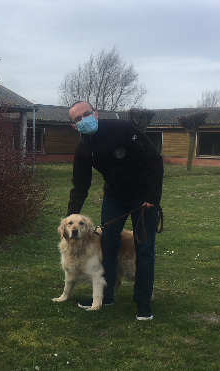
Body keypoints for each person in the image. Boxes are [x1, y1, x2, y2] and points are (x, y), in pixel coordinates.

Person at [65, 101, 164, 321]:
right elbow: (80, 185)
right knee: (107, 246)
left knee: (144, 247)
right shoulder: (83, 149)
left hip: (143, 197)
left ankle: (143, 302)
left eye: (87, 114)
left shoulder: (124, 129)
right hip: (114, 198)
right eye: (78, 119)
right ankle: (105, 296)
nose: (84, 120)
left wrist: (153, 197)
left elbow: (154, 160)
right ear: (74, 126)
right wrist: (70, 216)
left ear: (96, 114)